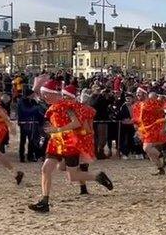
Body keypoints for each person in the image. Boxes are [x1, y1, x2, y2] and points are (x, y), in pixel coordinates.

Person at [28, 80, 113, 213]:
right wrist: (49, 131)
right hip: (55, 143)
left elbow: (76, 123)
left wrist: (57, 129)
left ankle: (97, 176)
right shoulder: (52, 108)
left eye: (46, 94)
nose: (44, 97)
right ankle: (45, 201)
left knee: (72, 176)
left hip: (69, 143)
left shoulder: (66, 106)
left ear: (54, 94)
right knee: (46, 169)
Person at [131, 87, 166, 175]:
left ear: (144, 94)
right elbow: (136, 119)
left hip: (153, 129)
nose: (137, 95)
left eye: (139, 93)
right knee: (150, 154)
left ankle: (164, 157)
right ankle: (160, 169)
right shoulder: (137, 105)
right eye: (136, 93)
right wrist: (136, 129)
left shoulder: (151, 103)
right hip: (144, 130)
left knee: (146, 148)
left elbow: (162, 110)